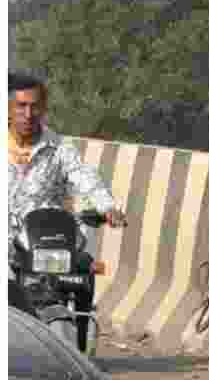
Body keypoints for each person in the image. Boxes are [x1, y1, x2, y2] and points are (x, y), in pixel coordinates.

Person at [7, 72, 128, 254]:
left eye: (35, 107)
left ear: (44, 109)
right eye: (21, 106)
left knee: (82, 265)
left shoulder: (59, 147)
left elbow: (83, 175)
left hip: (44, 243)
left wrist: (107, 207)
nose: (28, 114)